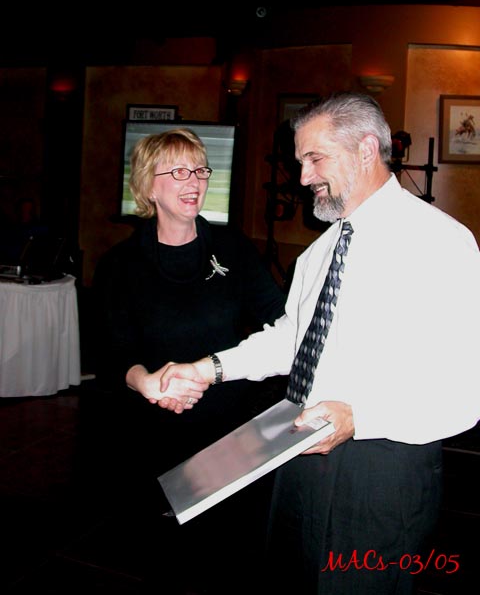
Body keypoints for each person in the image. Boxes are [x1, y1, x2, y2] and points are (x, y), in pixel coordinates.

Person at [157, 93, 480, 595]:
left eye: (314, 158)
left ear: (366, 150)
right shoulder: (320, 251)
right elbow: (292, 338)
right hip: (297, 453)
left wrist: (360, 417)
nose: (303, 176)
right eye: (300, 162)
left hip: (381, 472)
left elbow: (462, 394)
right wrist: (207, 368)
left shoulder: (439, 243)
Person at [92, 127, 286, 593]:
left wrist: (214, 372)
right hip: (152, 430)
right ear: (148, 186)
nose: (194, 180)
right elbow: (113, 353)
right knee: (167, 557)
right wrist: (146, 382)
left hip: (230, 428)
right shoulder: (120, 264)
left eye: (199, 170)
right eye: (178, 171)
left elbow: (279, 321)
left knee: (229, 553)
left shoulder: (233, 248)